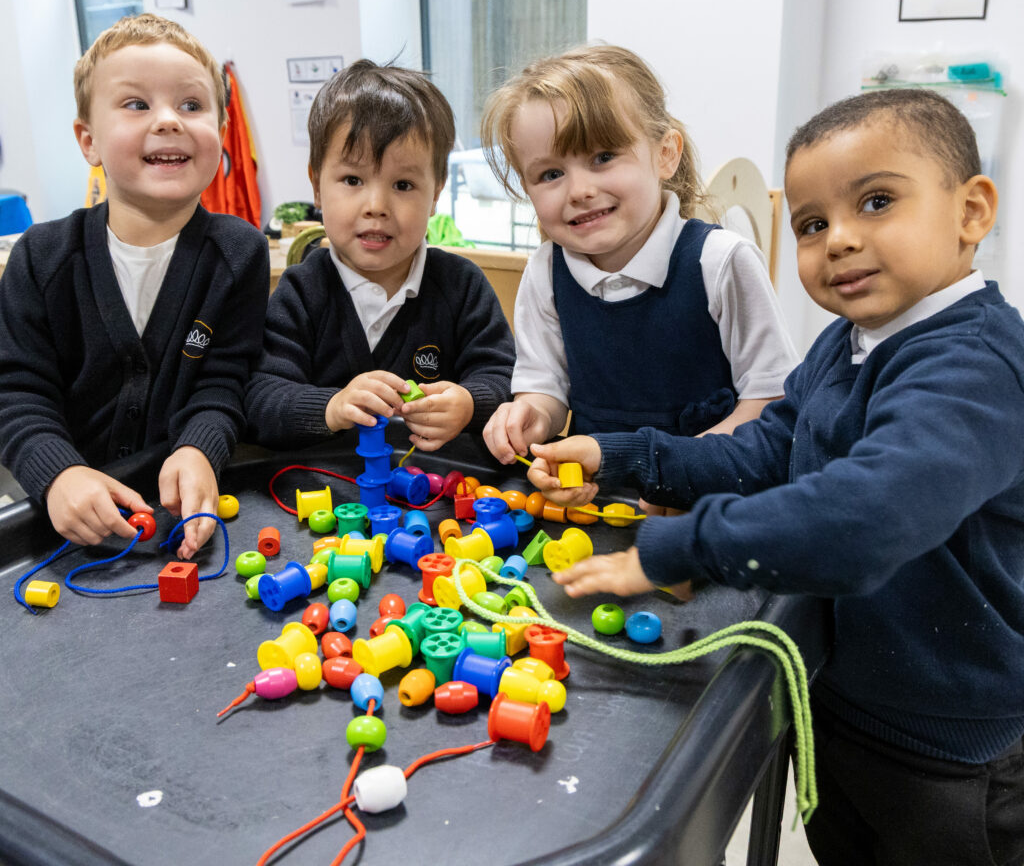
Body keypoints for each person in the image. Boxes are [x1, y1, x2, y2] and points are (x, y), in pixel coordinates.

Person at [528, 88, 1024, 866]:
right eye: (813, 224)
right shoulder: (847, 342)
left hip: (948, 746)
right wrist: (619, 454)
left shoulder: (974, 367)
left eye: (877, 202)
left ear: (971, 211)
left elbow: (869, 516)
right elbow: (765, 451)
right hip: (840, 695)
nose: (841, 241)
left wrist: (680, 547)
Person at [0, 14, 269, 559]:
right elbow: (17, 395)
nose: (168, 120)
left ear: (220, 133)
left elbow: (223, 383)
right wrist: (59, 475)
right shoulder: (41, 257)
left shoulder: (240, 252)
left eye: (191, 105)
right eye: (136, 104)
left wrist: (199, 448)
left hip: (176, 520)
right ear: (88, 141)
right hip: (59, 526)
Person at [479, 44, 796, 466]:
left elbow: (771, 401)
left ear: (665, 154)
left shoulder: (721, 261)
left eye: (603, 157)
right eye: (551, 174)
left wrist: (673, 468)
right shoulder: (544, 271)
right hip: (595, 499)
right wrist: (529, 416)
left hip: (708, 495)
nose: (579, 191)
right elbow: (545, 389)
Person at [245, 60, 514, 452]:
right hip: (325, 496)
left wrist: (471, 404)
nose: (376, 205)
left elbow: (505, 378)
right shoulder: (302, 291)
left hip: (435, 497)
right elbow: (260, 399)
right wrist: (332, 407)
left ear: (436, 194)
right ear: (317, 186)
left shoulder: (462, 285)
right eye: (352, 180)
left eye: (403, 184)